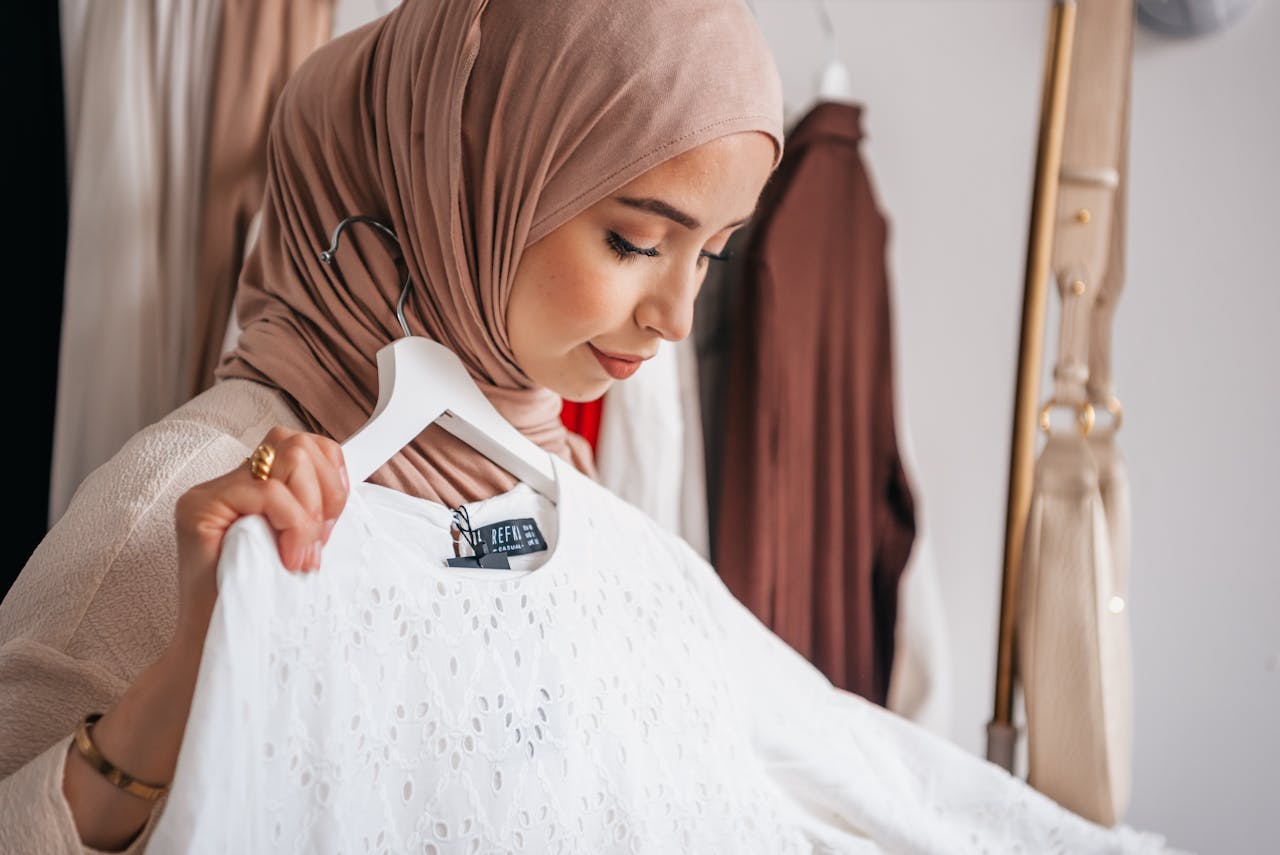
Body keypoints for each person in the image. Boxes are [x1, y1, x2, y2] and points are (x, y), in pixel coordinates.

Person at [0, 1, 1182, 853]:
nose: (674, 318)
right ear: (453, 175)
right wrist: (170, 699)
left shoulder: (588, 533)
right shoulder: (186, 504)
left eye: (710, 257)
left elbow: (863, 773)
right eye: (633, 240)